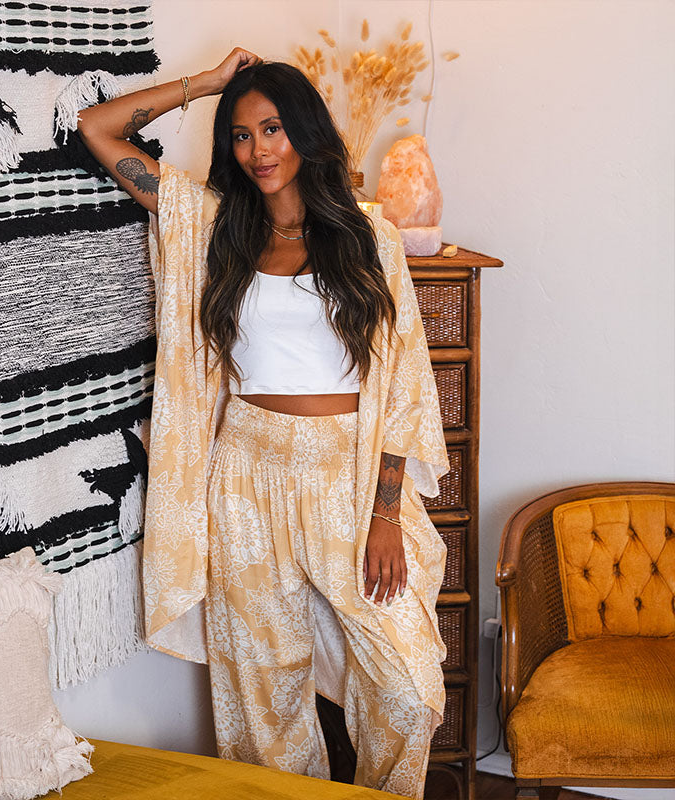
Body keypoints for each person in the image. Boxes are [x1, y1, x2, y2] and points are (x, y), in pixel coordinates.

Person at [77, 48, 450, 798]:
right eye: (241, 135)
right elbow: (97, 128)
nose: (258, 150)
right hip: (244, 472)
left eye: (272, 129)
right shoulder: (213, 226)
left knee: (409, 687)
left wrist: (385, 513)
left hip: (348, 475)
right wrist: (211, 82)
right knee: (263, 694)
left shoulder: (368, 238)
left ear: (304, 132)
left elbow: (405, 382)